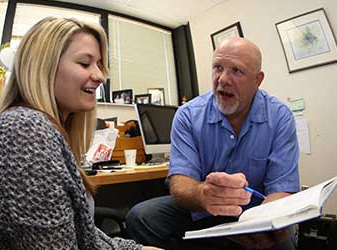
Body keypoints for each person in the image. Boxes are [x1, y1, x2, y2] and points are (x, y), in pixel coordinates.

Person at [0, 17, 159, 250]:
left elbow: (84, 235)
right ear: (43, 67)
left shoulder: (45, 129)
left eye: (99, 64)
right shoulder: (24, 132)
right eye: (84, 63)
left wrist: (136, 249)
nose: (100, 76)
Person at [126, 38, 300, 250]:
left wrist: (261, 223)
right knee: (142, 216)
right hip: (203, 208)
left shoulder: (280, 117)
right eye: (218, 67)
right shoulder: (187, 115)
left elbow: (281, 189)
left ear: (257, 80)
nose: (223, 79)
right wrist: (203, 193)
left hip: (258, 212)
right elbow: (181, 182)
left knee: (283, 241)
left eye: (237, 71)